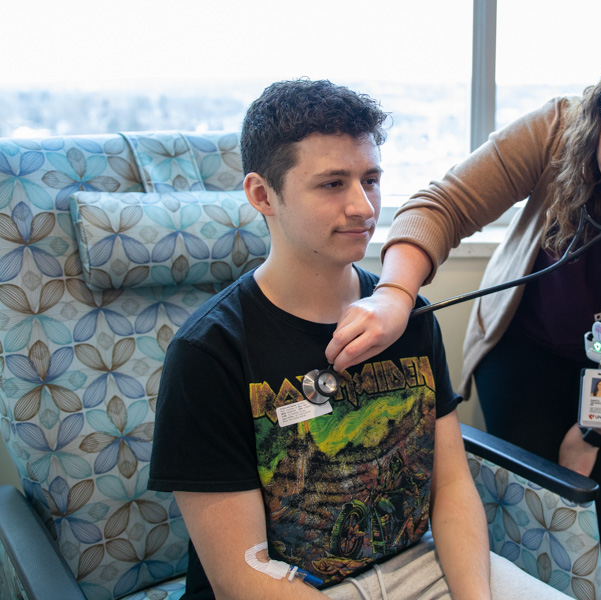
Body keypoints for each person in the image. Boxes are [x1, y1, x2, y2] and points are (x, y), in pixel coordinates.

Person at [326, 35, 601, 599]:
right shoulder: (561, 128)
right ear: (600, 117)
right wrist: (393, 295)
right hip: (526, 348)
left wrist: (589, 435)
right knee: (522, 508)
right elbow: (443, 205)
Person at [148, 79, 569, 600]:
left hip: (417, 564)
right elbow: (242, 576)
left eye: (370, 180)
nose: (365, 208)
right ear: (262, 195)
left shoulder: (406, 313)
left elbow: (453, 486)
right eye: (332, 184)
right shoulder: (210, 352)